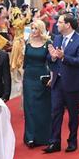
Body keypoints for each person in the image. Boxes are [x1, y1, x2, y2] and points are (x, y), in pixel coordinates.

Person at [46, 13, 79, 153]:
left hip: (73, 83)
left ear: (68, 25)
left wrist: (64, 57)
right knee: (55, 113)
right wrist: (52, 58)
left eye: (60, 22)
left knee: (72, 114)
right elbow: (51, 57)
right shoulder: (57, 38)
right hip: (57, 82)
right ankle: (54, 142)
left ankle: (72, 141)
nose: (57, 24)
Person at [21, 19, 52, 147]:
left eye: (35, 28)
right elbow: (25, 62)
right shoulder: (27, 43)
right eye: (31, 28)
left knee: (42, 107)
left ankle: (43, 136)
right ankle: (30, 137)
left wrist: (51, 77)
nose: (33, 31)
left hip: (42, 77)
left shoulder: (48, 43)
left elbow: (52, 61)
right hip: (29, 77)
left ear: (41, 29)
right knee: (29, 107)